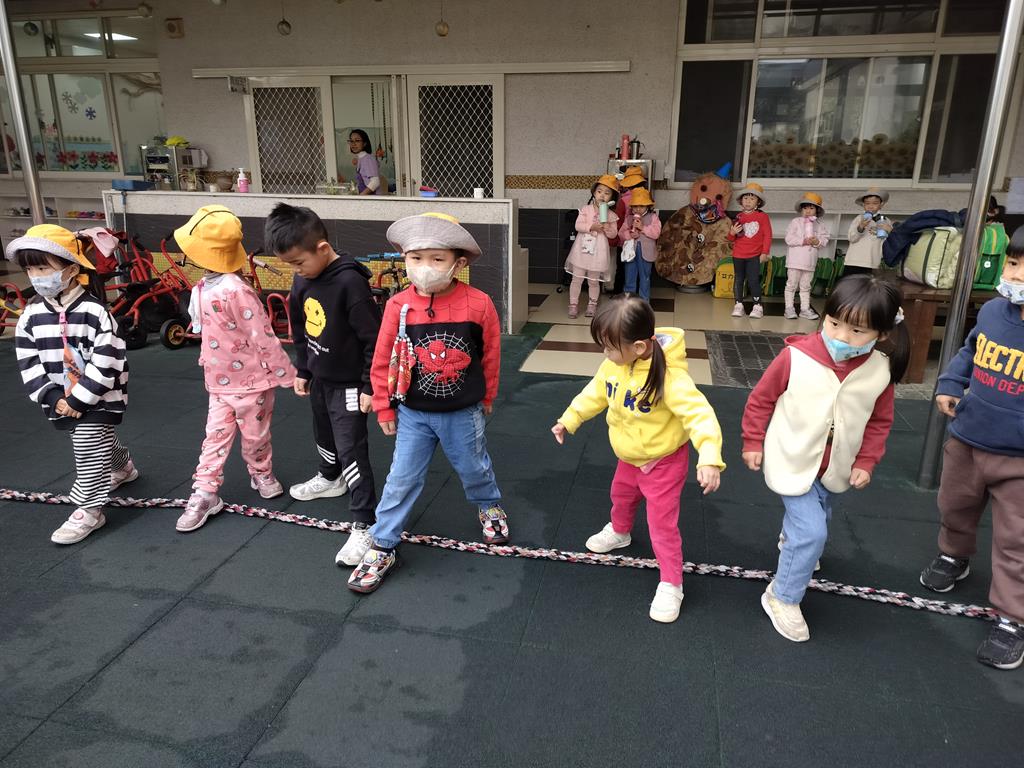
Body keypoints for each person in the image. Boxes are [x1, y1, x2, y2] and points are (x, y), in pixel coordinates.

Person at [742, 275, 908, 642]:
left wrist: (866, 462)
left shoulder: (880, 370)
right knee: (813, 532)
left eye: (857, 331)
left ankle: (795, 541)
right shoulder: (796, 357)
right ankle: (782, 596)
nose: (841, 337)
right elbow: (761, 399)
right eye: (834, 323)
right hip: (792, 457)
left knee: (821, 513)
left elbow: (879, 421)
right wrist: (753, 440)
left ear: (882, 334)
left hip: (836, 466)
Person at [347, 212, 506, 594]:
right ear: (404, 259)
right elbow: (382, 359)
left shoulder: (479, 304)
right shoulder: (397, 306)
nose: (425, 267)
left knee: (473, 466)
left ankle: (488, 503)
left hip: (463, 412)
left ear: (458, 263)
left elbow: (490, 355)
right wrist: (384, 406)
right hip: (413, 413)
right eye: (416, 258)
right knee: (401, 478)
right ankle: (383, 543)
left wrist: (487, 396)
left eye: (437, 259)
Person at [551, 295, 724, 623]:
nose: (605, 354)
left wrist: (709, 458)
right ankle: (620, 531)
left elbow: (699, 415)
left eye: (609, 347)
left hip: (663, 462)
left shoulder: (669, 377)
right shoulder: (613, 366)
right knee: (621, 496)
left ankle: (671, 582)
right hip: (629, 457)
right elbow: (595, 393)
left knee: (661, 524)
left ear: (639, 347)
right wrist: (569, 419)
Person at [918, 228, 1024, 670]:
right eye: (1013, 263)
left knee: (1016, 538)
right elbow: (969, 351)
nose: (1015, 275)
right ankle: (954, 555)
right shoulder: (995, 311)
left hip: (1018, 459)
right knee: (955, 504)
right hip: (968, 438)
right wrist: (950, 382)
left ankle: (1013, 617)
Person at [266, 203, 382, 564]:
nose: (296, 270)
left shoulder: (350, 282)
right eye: (290, 265)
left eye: (298, 262)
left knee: (352, 449)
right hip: (320, 378)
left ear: (322, 248)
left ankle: (365, 522)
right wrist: (303, 369)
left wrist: (369, 385)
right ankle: (331, 478)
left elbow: (374, 340)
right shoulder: (303, 279)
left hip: (350, 385)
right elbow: (300, 328)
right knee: (323, 433)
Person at [10, 224, 136, 544]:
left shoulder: (95, 312)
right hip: (60, 396)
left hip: (99, 395)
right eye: (30, 270)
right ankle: (122, 466)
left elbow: (107, 360)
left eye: (43, 268)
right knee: (94, 438)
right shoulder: (31, 315)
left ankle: (89, 509)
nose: (36, 277)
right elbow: (28, 360)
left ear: (71, 269)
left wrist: (79, 399)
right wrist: (52, 396)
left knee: (87, 443)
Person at [175, 205, 297, 532]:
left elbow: (262, 335)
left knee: (255, 436)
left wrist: (285, 373)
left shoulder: (236, 290)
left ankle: (261, 472)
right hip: (219, 382)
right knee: (213, 438)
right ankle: (205, 491)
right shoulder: (202, 288)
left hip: (253, 382)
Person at [565, 174, 620, 319]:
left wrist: (607, 227)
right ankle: (573, 304)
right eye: (599, 191)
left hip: (598, 252)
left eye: (607, 193)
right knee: (576, 279)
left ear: (612, 198)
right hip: (582, 251)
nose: (602, 195)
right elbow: (578, 225)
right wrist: (591, 226)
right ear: (594, 193)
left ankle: (592, 304)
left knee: (593, 281)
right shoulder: (586, 209)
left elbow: (613, 234)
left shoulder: (611, 215)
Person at [727, 182, 772, 319]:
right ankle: (738, 304)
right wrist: (732, 232)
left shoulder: (762, 217)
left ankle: (757, 306)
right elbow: (731, 238)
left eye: (752, 199)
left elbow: (768, 235)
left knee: (753, 280)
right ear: (741, 201)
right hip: (738, 254)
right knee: (738, 279)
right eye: (745, 198)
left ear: (758, 202)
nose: (748, 201)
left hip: (754, 255)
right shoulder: (739, 217)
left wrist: (764, 252)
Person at [784, 192, 830, 320]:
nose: (808, 211)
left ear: (817, 210)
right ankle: (789, 308)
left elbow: (825, 240)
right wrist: (803, 241)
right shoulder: (795, 222)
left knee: (805, 287)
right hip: (794, 261)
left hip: (809, 262)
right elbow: (789, 239)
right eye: (805, 208)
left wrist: (817, 242)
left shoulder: (820, 225)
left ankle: (804, 309)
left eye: (811, 208)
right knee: (791, 285)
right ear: (801, 209)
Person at [617, 186, 662, 302]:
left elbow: (656, 233)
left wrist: (643, 228)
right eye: (635, 206)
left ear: (648, 206)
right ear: (631, 206)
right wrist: (629, 235)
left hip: (646, 253)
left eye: (641, 206)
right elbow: (621, 233)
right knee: (629, 277)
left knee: (644, 278)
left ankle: (644, 302)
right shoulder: (629, 218)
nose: (638, 209)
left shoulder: (653, 217)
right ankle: (628, 302)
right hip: (630, 253)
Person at [610, 165, 648, 295]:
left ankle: (618, 295)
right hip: (642, 242)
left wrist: (616, 238)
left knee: (622, 269)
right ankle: (638, 297)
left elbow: (618, 221)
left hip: (625, 241)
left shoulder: (623, 200)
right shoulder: (647, 198)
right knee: (640, 271)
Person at [844, 187, 892, 276]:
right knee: (850, 283)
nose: (871, 206)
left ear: (881, 204)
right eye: (867, 203)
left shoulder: (885, 221)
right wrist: (861, 227)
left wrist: (889, 230)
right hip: (854, 260)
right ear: (863, 205)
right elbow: (851, 238)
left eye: (875, 203)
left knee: (868, 284)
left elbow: (888, 242)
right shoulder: (859, 218)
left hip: (872, 262)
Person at [347, 129, 383, 196]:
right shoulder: (361, 159)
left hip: (372, 199)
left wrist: (361, 196)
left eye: (357, 140)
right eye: (351, 141)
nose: (353, 144)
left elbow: (375, 182)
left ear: (365, 143)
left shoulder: (368, 159)